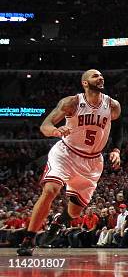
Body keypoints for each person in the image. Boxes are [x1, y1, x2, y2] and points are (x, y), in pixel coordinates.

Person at [17, 69, 122, 256]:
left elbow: (118, 127)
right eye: (95, 76)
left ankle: (58, 222)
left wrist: (116, 149)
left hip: (92, 161)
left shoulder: (112, 105)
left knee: (74, 212)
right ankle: (29, 237)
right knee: (51, 190)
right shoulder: (72, 102)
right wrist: (56, 131)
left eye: (101, 75)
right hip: (66, 154)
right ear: (85, 83)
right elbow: (45, 126)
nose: (100, 77)